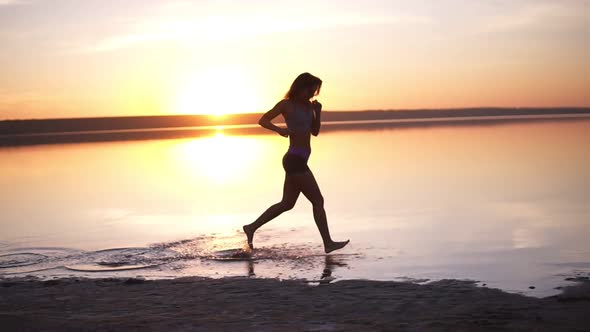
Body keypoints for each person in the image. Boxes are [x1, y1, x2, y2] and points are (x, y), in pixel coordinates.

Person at [243, 73, 350, 254]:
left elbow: (315, 131)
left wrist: (318, 112)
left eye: (316, 91)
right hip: (294, 160)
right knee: (318, 200)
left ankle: (251, 227)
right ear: (302, 87)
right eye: (312, 89)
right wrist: (278, 129)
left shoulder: (309, 107)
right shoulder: (286, 105)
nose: (314, 94)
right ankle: (328, 243)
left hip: (299, 160)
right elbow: (263, 120)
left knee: (287, 203)